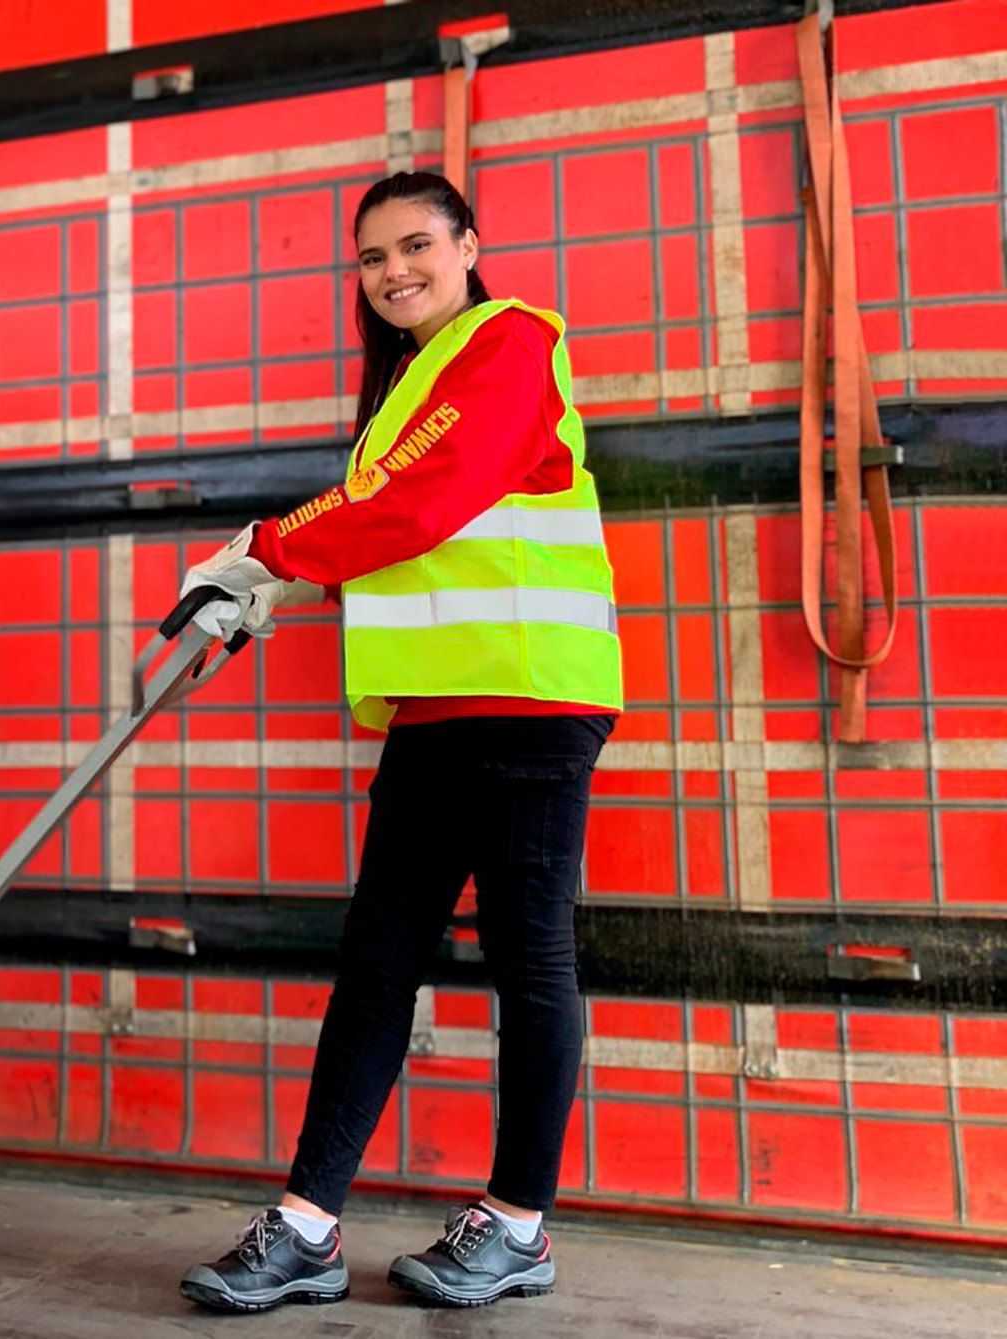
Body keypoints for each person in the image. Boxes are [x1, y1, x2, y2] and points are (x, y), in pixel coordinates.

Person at [172, 171, 623, 1313]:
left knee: (528, 964)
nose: (391, 273)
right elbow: (410, 534)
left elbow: (428, 498)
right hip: (432, 711)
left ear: (468, 244)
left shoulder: (510, 341)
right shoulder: (409, 387)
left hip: (528, 702)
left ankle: (516, 1224)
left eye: (414, 244)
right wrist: (275, 588)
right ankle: (307, 1225)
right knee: (374, 966)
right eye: (371, 258)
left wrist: (269, 549)